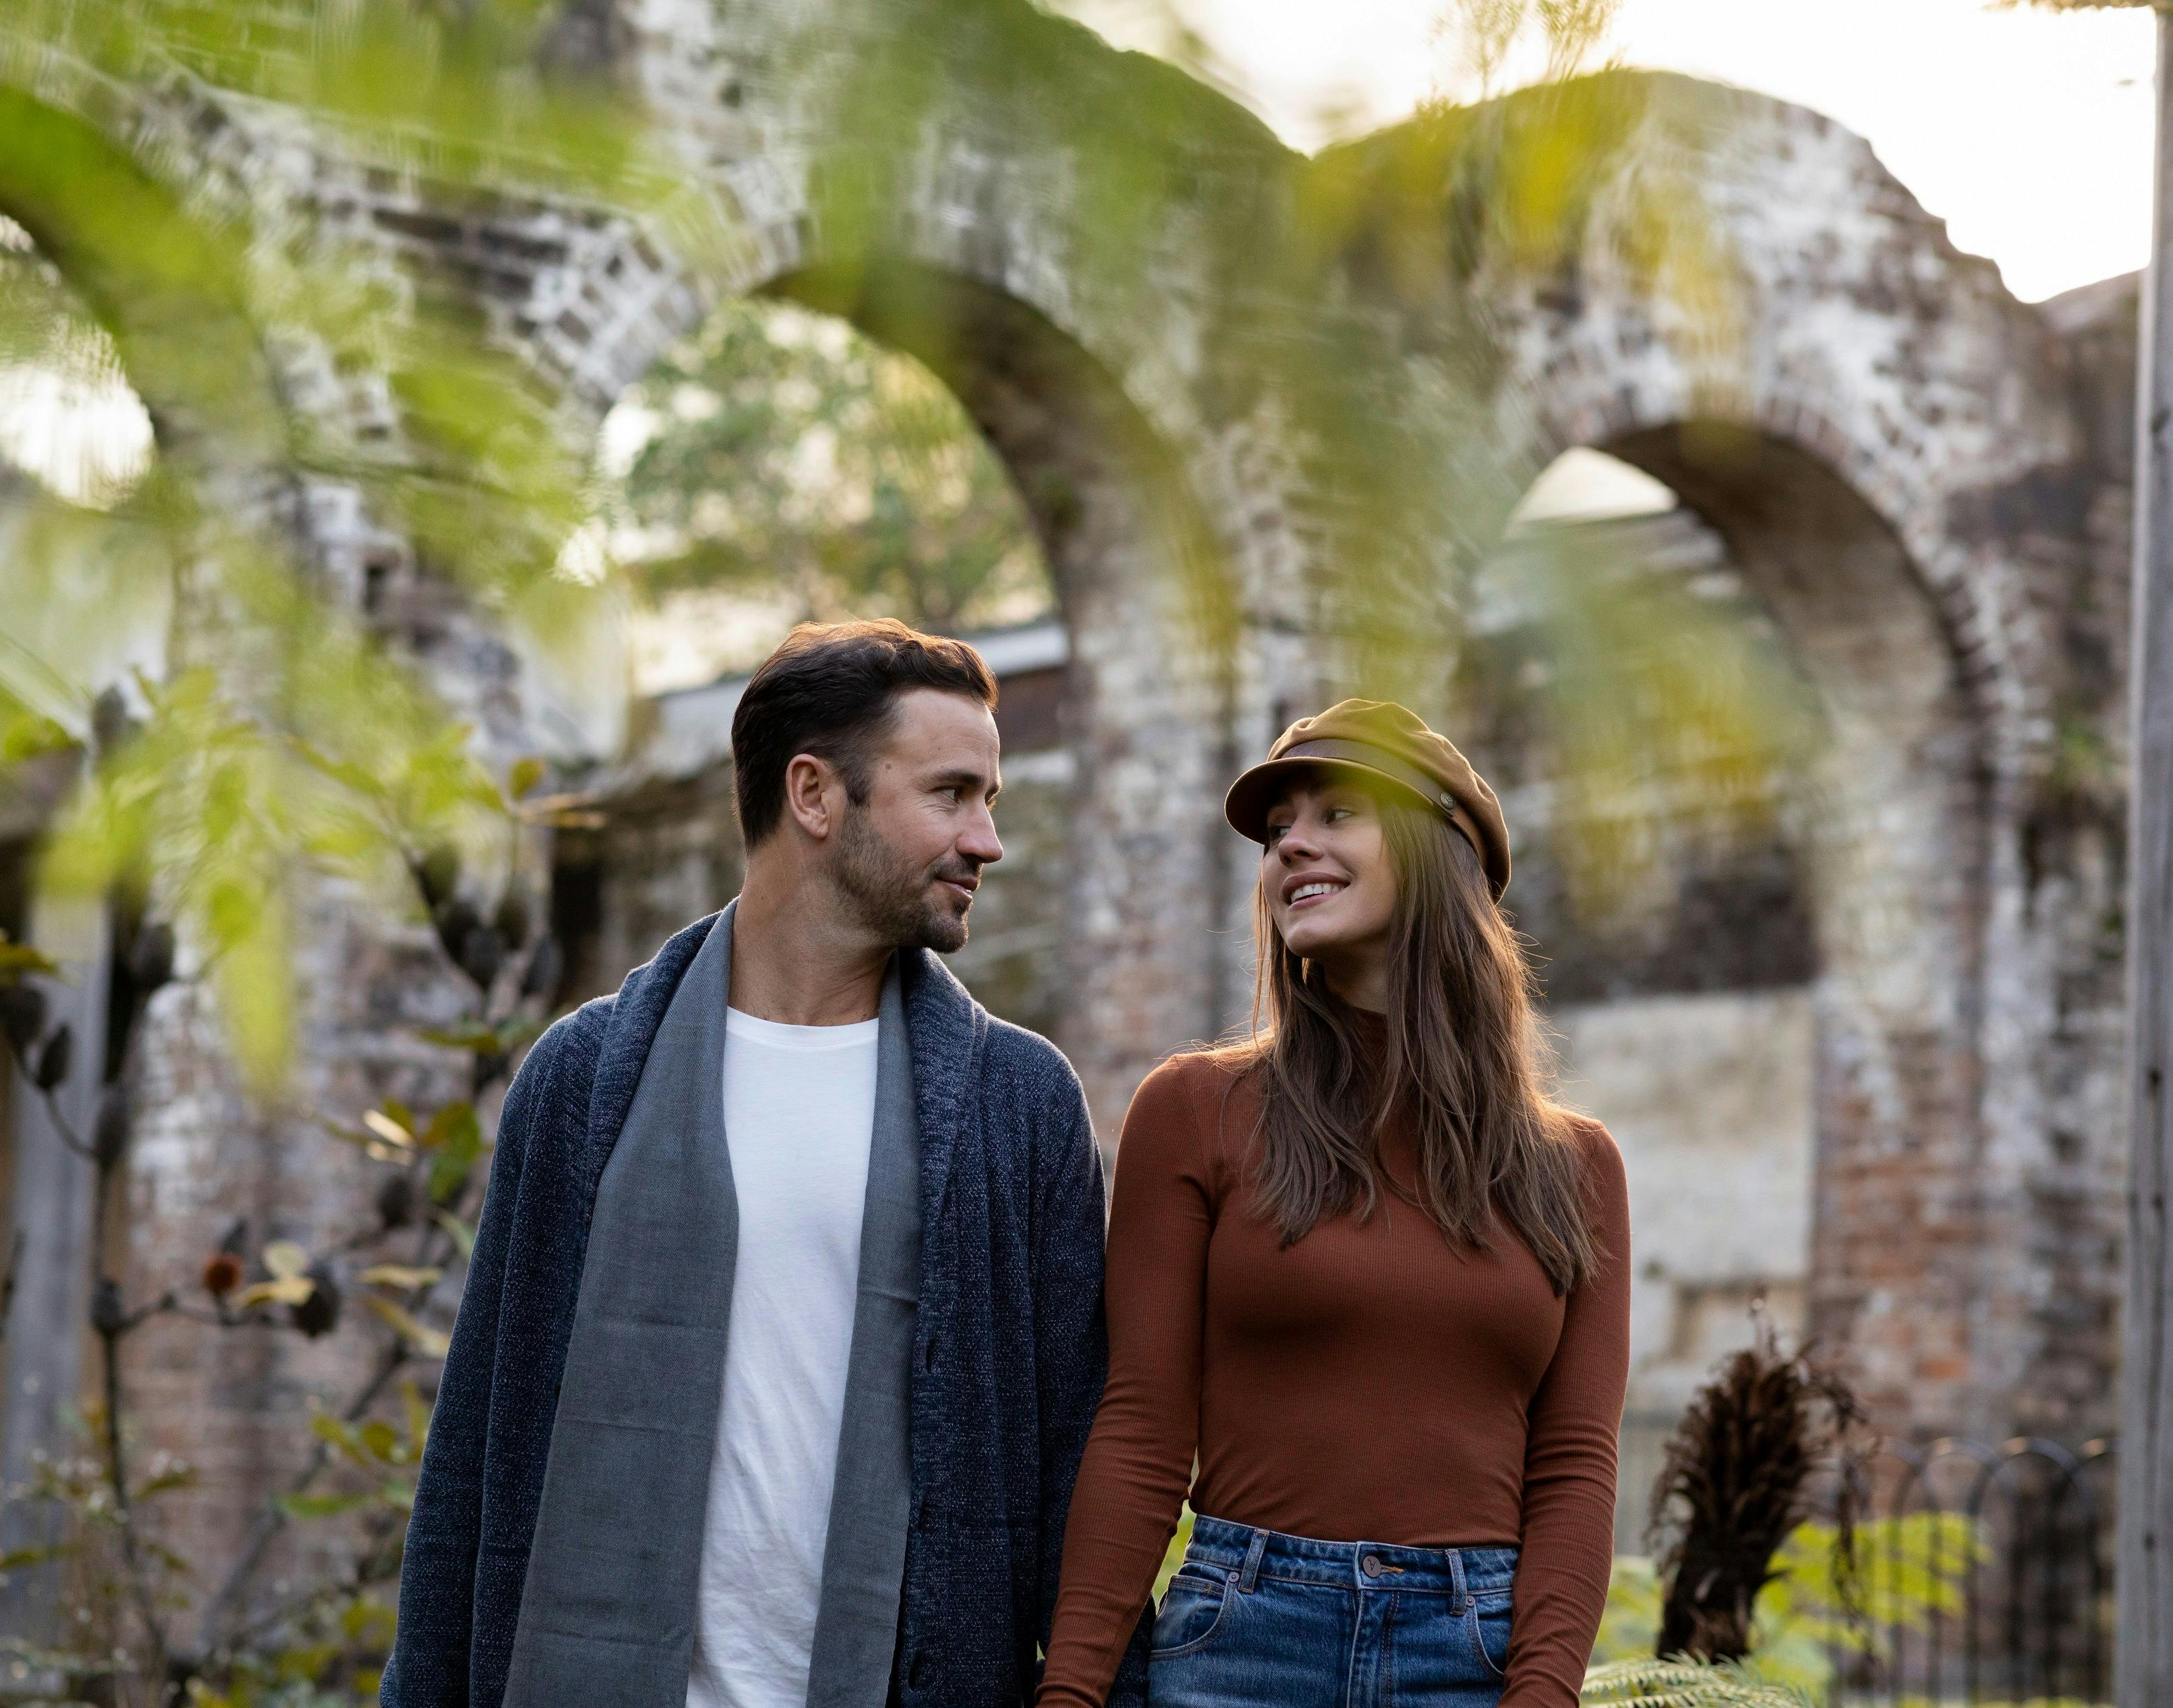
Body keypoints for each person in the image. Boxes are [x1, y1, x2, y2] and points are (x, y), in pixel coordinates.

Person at [382, 618, 1144, 1708]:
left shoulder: (1014, 1104)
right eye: (950, 794)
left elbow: (1078, 1457)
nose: (987, 841)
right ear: (815, 796)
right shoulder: (585, 1079)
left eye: (991, 800)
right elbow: (473, 1451)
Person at [1036, 698, 1632, 1708]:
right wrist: (1072, 1693)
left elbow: (1574, 1466)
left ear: (1441, 851)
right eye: (1277, 834)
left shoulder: (1572, 1168)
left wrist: (1542, 1695)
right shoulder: (1195, 1111)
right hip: (1242, 1639)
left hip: (1472, 1656)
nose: (1291, 846)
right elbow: (1140, 1422)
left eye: (1335, 814)